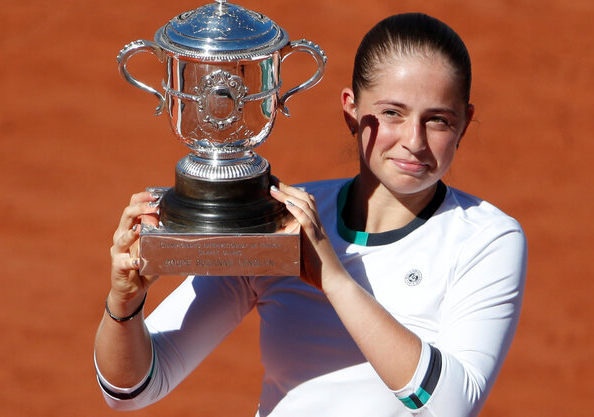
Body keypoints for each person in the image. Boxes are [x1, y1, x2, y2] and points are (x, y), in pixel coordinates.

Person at [94, 12, 527, 417]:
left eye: (438, 120)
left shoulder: (487, 239)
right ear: (351, 110)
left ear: (465, 124)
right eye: (393, 113)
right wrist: (124, 306)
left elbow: (449, 407)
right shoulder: (282, 221)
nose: (414, 140)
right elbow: (133, 388)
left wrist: (334, 280)